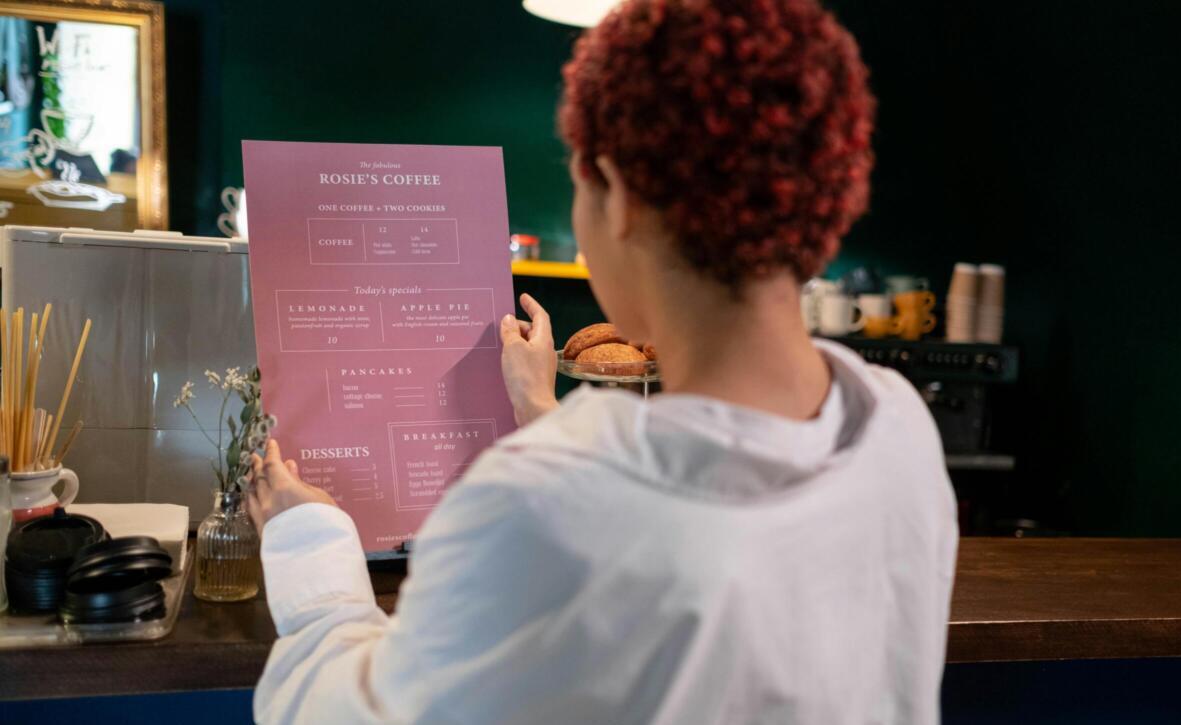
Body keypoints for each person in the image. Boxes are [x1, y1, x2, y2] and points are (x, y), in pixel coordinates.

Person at [249, 0, 957, 722]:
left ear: (616, 196)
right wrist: (541, 410)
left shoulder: (537, 498)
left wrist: (312, 541)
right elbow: (699, 482)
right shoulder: (900, 424)